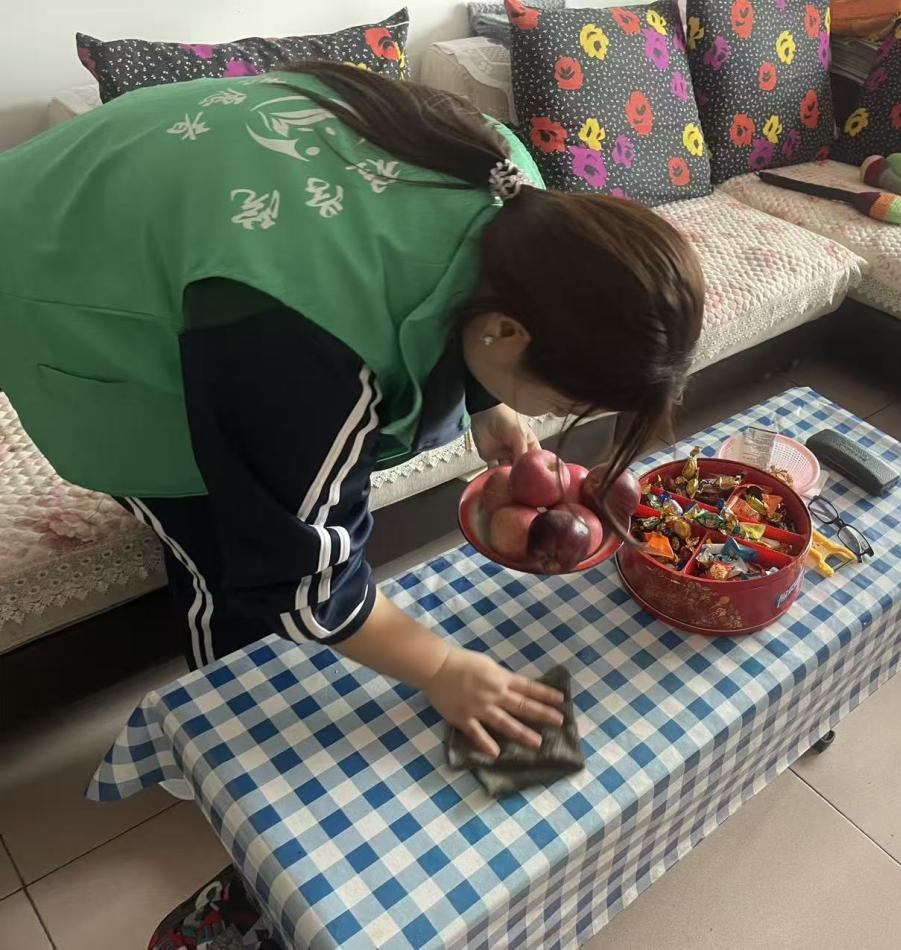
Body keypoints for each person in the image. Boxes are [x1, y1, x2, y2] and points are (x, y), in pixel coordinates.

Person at [0, 61, 705, 757]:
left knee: (258, 487)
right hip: (55, 256)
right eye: (566, 402)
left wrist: (488, 401)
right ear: (507, 331)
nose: (556, 417)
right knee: (225, 551)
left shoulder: (520, 195)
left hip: (176, 194)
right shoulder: (302, 342)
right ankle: (218, 748)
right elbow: (297, 572)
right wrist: (442, 667)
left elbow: (466, 294)